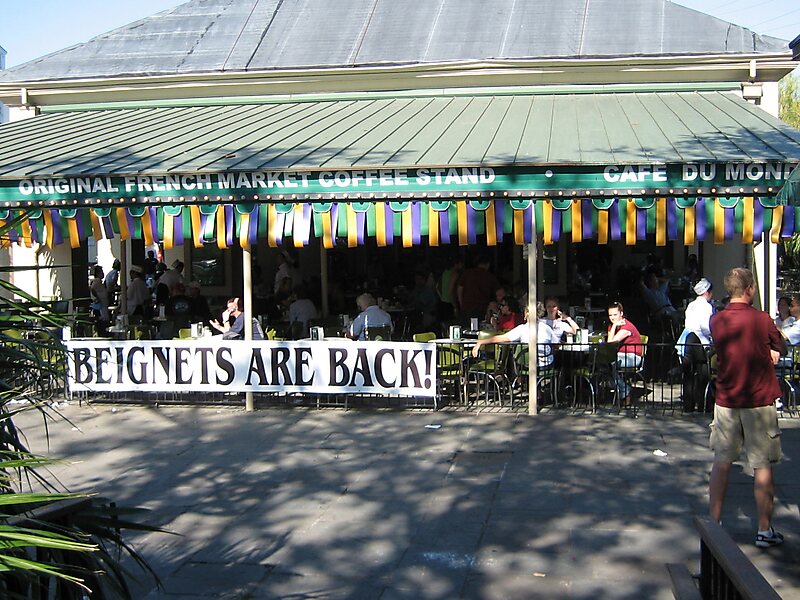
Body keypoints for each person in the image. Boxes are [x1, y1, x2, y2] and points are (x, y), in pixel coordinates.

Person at [708, 267, 786, 548]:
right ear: (750, 288)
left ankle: (713, 523)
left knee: (722, 461)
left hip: (727, 399)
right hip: (758, 399)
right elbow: (779, 344)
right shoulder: (761, 319)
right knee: (762, 464)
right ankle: (764, 530)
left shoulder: (717, 320)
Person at [471, 302, 560, 368]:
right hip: (546, 365)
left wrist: (481, 342)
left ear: (526, 313)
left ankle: (519, 381)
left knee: (517, 359)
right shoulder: (547, 328)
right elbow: (557, 344)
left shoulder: (522, 329)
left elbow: (501, 338)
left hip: (527, 366)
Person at [676, 278, 714, 412]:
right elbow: (705, 326)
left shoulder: (691, 305)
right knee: (703, 371)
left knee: (688, 374)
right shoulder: (707, 306)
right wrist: (711, 335)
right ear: (707, 292)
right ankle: (702, 403)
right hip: (699, 339)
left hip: (687, 339)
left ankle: (688, 405)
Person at [606, 301, 643, 405]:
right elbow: (609, 344)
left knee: (608, 364)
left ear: (621, 314)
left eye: (615, 315)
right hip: (619, 355)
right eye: (610, 315)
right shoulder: (613, 325)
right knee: (602, 364)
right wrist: (613, 327)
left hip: (632, 356)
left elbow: (611, 343)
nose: (612, 318)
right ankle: (625, 390)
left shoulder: (626, 327)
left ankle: (625, 392)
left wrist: (613, 327)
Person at [457, 254, 499, 323]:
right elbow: (498, 292)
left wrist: (461, 304)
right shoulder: (489, 276)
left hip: (467, 306)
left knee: (466, 328)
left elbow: (459, 290)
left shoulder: (467, 274)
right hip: (482, 308)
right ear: (488, 264)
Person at [89, 265, 110, 336]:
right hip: (101, 306)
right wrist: (97, 298)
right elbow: (92, 289)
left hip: (104, 304)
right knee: (103, 322)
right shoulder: (96, 282)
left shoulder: (100, 282)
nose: (103, 273)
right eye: (101, 272)